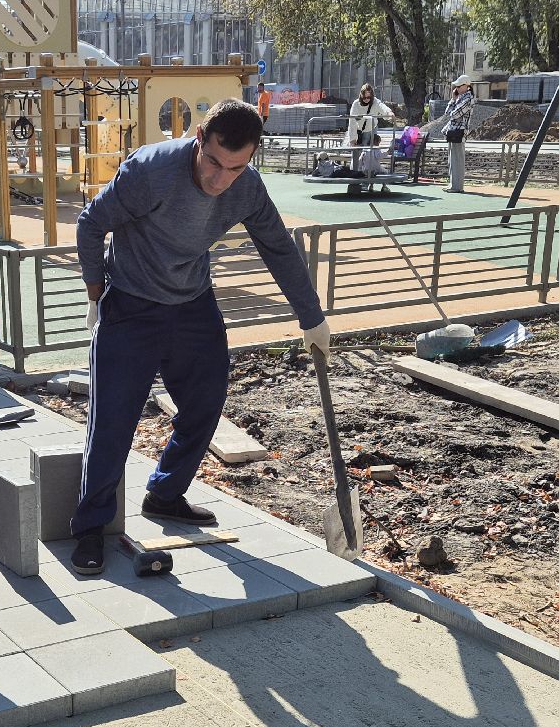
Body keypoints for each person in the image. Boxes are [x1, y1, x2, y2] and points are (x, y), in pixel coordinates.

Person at [71, 98, 331, 575]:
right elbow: (91, 224)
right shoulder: (151, 170)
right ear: (198, 140)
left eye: (235, 167)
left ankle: (166, 494)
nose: (220, 179)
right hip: (130, 303)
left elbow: (278, 247)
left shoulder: (246, 187)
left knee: (206, 402)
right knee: (113, 420)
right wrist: (95, 293)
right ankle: (90, 526)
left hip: (192, 302)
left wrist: (310, 317)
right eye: (213, 161)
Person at [426, 74, 474, 193]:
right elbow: (448, 113)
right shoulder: (460, 98)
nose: (456, 88)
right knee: (452, 159)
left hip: (460, 131)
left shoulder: (468, 98)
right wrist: (453, 98)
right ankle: (453, 184)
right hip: (453, 130)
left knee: (458, 159)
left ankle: (457, 187)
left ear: (466, 86)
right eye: (456, 86)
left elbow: (455, 114)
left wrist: (454, 103)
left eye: (458, 86)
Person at [343, 83, 394, 179]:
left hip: (371, 129)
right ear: (361, 96)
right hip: (359, 131)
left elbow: (382, 107)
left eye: (368, 97)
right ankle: (355, 174)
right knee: (357, 153)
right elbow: (352, 122)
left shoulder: (375, 102)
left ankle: (369, 175)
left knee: (370, 154)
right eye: (364, 98)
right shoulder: (356, 104)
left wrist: (389, 113)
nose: (366, 100)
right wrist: (353, 138)